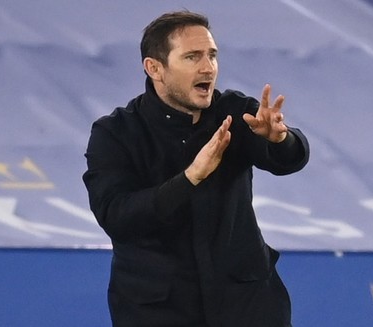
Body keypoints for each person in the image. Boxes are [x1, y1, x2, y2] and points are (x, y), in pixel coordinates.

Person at [83, 10, 309, 327]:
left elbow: (289, 160)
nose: (208, 68)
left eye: (212, 55)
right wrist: (190, 178)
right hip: (156, 309)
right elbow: (117, 217)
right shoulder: (116, 133)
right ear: (154, 68)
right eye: (192, 57)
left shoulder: (235, 112)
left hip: (247, 304)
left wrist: (280, 139)